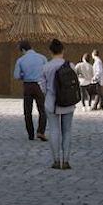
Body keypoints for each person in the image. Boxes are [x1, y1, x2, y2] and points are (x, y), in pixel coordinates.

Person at [40, 39, 77, 169]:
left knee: (54, 131)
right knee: (67, 131)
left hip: (51, 102)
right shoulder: (70, 65)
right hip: (68, 103)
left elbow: (43, 86)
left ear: (50, 52)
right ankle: (66, 161)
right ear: (63, 50)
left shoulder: (46, 67)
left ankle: (56, 160)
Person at [12, 40, 48, 141]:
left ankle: (30, 134)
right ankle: (41, 131)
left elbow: (16, 75)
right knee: (42, 110)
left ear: (23, 49)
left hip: (28, 85)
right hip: (40, 85)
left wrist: (24, 75)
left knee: (28, 111)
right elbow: (47, 72)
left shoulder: (21, 60)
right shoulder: (42, 58)